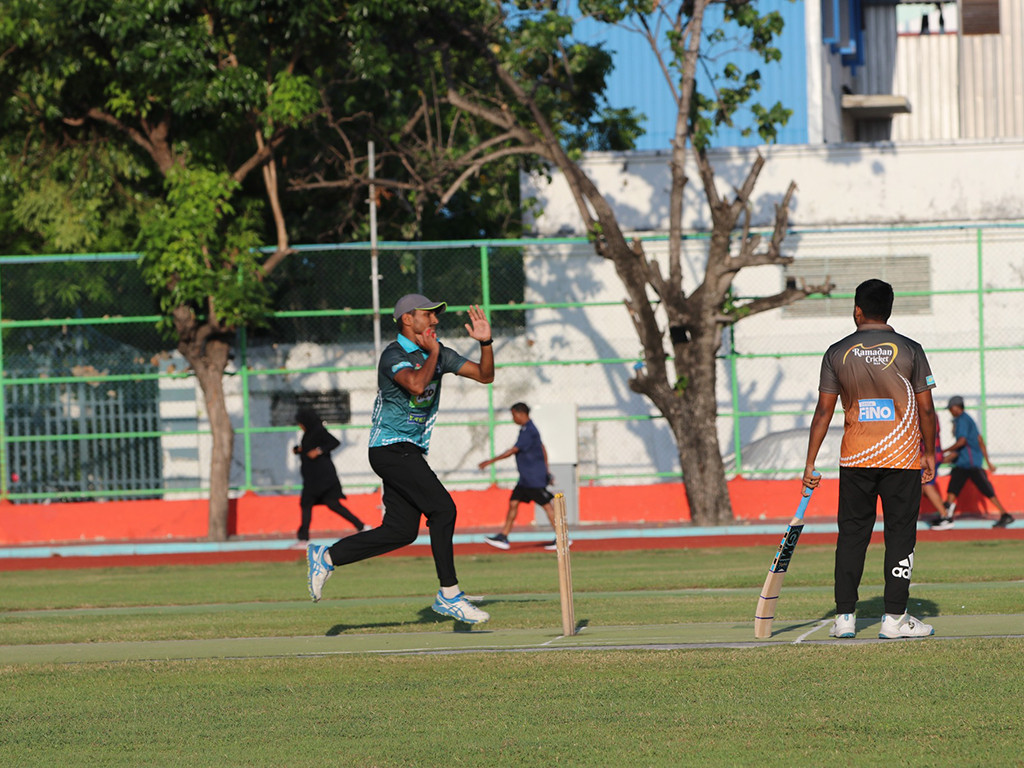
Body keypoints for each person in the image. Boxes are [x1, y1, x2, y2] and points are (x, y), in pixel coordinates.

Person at [305, 294, 495, 625]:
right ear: (407, 319)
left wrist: (486, 343)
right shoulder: (393, 355)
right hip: (389, 448)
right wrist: (434, 353)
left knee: (401, 531)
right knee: (443, 509)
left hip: (408, 450)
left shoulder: (439, 352)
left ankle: (328, 556)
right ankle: (449, 594)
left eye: (436, 315)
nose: (435, 320)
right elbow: (417, 385)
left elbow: (485, 375)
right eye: (428, 314)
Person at [803, 279, 937, 640]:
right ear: (888, 310)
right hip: (902, 459)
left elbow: (823, 412)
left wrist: (810, 462)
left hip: (856, 459)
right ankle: (894, 619)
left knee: (852, 536)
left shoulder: (836, 352)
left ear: (857, 310)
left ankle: (844, 617)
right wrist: (928, 452)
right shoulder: (911, 349)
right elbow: (926, 408)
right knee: (900, 536)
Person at [479, 402, 566, 552]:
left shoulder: (529, 431)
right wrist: (546, 469)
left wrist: (489, 461)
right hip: (525, 479)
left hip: (533, 479)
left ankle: (562, 537)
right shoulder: (527, 429)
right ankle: (503, 536)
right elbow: (542, 448)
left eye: (513, 415)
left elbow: (513, 450)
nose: (513, 418)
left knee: (547, 506)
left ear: (520, 414)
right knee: (513, 503)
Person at [932, 396, 1014, 530]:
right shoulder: (967, 419)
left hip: (970, 463)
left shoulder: (962, 420)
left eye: (951, 409)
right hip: (964, 462)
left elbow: (962, 442)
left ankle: (1005, 514)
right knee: (953, 487)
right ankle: (946, 514)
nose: (950, 412)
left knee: (985, 489)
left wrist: (942, 451)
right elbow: (979, 440)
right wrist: (987, 461)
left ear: (957, 408)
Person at [293, 408, 370, 546]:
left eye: (300, 423)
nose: (300, 426)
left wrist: (319, 451)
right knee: (329, 504)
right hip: (313, 478)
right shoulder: (308, 434)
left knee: (310, 503)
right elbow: (309, 449)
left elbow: (334, 442)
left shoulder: (318, 431)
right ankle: (361, 526)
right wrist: (300, 450)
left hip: (322, 478)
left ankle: (303, 539)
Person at [920, 412, 946, 521]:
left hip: (928, 456)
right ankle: (944, 511)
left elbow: (922, 434)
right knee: (920, 487)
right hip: (932, 455)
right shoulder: (931, 413)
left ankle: (945, 516)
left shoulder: (924, 413)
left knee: (926, 485)